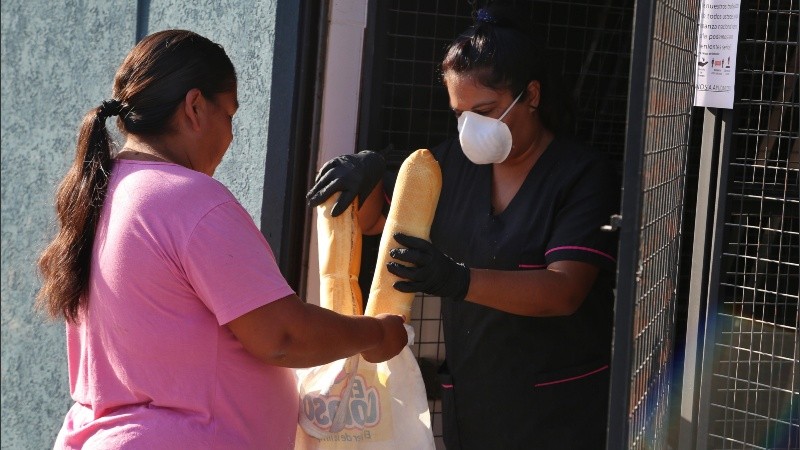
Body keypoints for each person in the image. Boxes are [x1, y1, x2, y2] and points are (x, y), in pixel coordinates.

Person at [36, 29, 408, 449]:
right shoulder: (187, 199)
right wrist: (376, 334)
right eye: (228, 115)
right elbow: (282, 337)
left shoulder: (99, 195)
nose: (230, 137)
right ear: (195, 107)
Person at [306, 4, 620, 449]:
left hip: (559, 409)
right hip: (475, 406)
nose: (470, 127)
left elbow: (563, 291)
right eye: (460, 113)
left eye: (486, 109)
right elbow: (378, 222)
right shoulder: (452, 165)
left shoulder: (581, 173)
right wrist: (368, 175)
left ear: (531, 95)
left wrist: (457, 279)